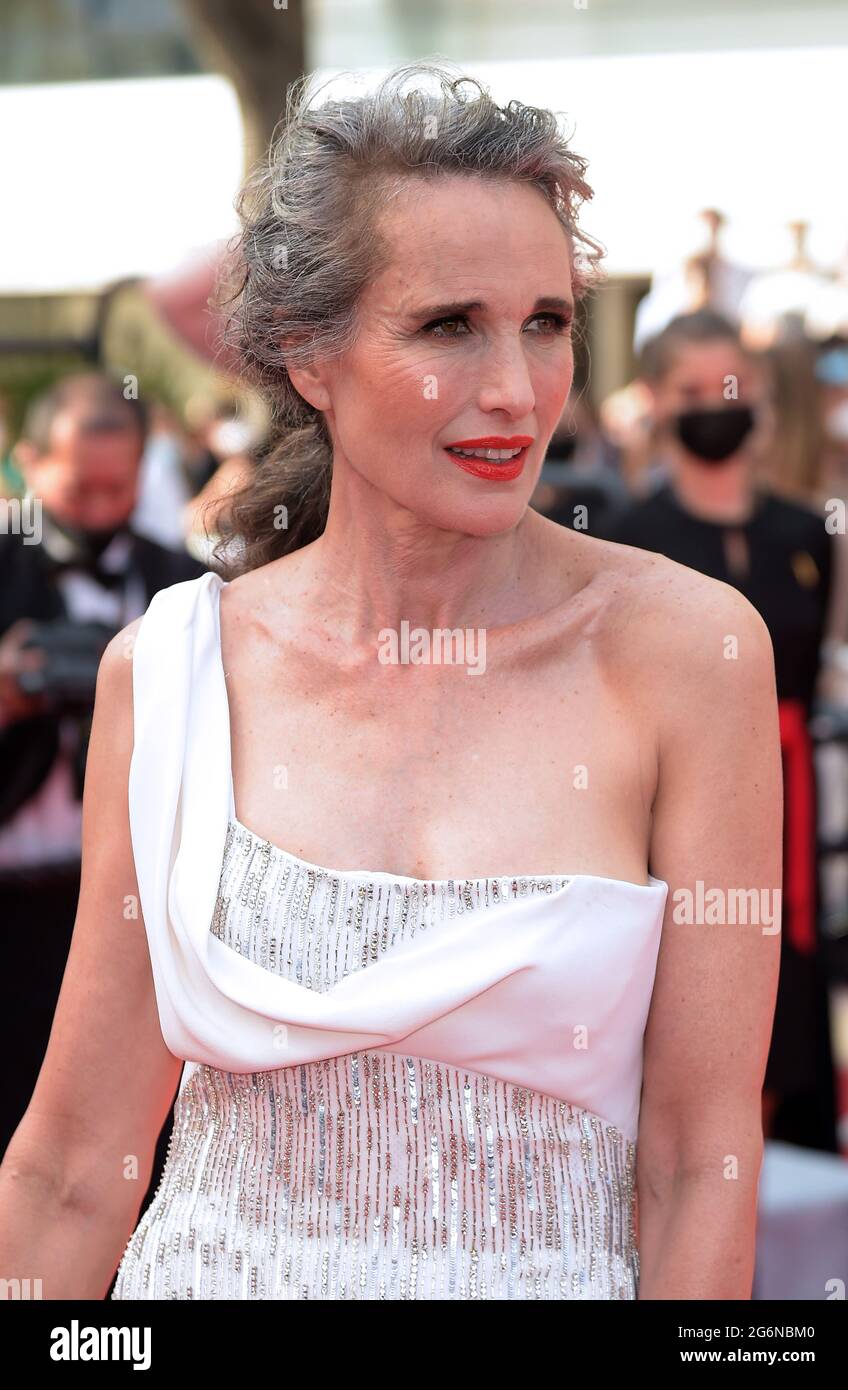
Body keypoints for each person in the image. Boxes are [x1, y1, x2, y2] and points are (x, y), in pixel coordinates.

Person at [0, 62, 782, 1301]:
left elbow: (701, 1161)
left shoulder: (690, 653)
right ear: (309, 356)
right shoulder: (176, 669)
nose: (515, 390)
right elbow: (77, 1165)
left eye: (546, 320)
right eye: (447, 324)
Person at [605, 310, 838, 1154]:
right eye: (691, 391)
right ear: (657, 402)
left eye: (729, 388)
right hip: (678, 812)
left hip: (788, 802)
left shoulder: (804, 532)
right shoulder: (630, 539)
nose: (714, 407)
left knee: (788, 1015)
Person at [0, 372, 205, 1192]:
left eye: (118, 488)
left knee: (122, 1138)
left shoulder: (183, 583)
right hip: (9, 902)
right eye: (79, 487)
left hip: (131, 908)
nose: (97, 508)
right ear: (26, 462)